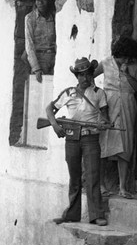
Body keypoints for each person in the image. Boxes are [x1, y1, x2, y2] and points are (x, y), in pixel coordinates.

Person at [46, 57, 110, 226]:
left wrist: (103, 124)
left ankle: (96, 214)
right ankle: (72, 214)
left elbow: (105, 118)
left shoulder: (99, 93)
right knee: (74, 177)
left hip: (91, 138)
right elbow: (49, 109)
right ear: (76, 76)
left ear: (91, 74)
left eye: (87, 74)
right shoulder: (68, 93)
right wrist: (54, 125)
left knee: (92, 176)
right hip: (71, 138)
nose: (84, 78)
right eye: (80, 75)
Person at [94, 36, 137, 198]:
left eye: (129, 58)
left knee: (125, 142)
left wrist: (128, 74)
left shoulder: (133, 66)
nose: (126, 60)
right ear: (118, 54)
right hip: (108, 104)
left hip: (128, 105)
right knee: (104, 142)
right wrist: (96, 97)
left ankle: (122, 187)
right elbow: (89, 77)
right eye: (124, 57)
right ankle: (101, 185)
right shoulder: (106, 62)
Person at [24, 0, 56, 83]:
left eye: (44, 0)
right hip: (39, 58)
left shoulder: (53, 16)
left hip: (53, 58)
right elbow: (29, 44)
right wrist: (36, 68)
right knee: (39, 90)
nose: (41, 3)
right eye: (38, 0)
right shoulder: (30, 18)